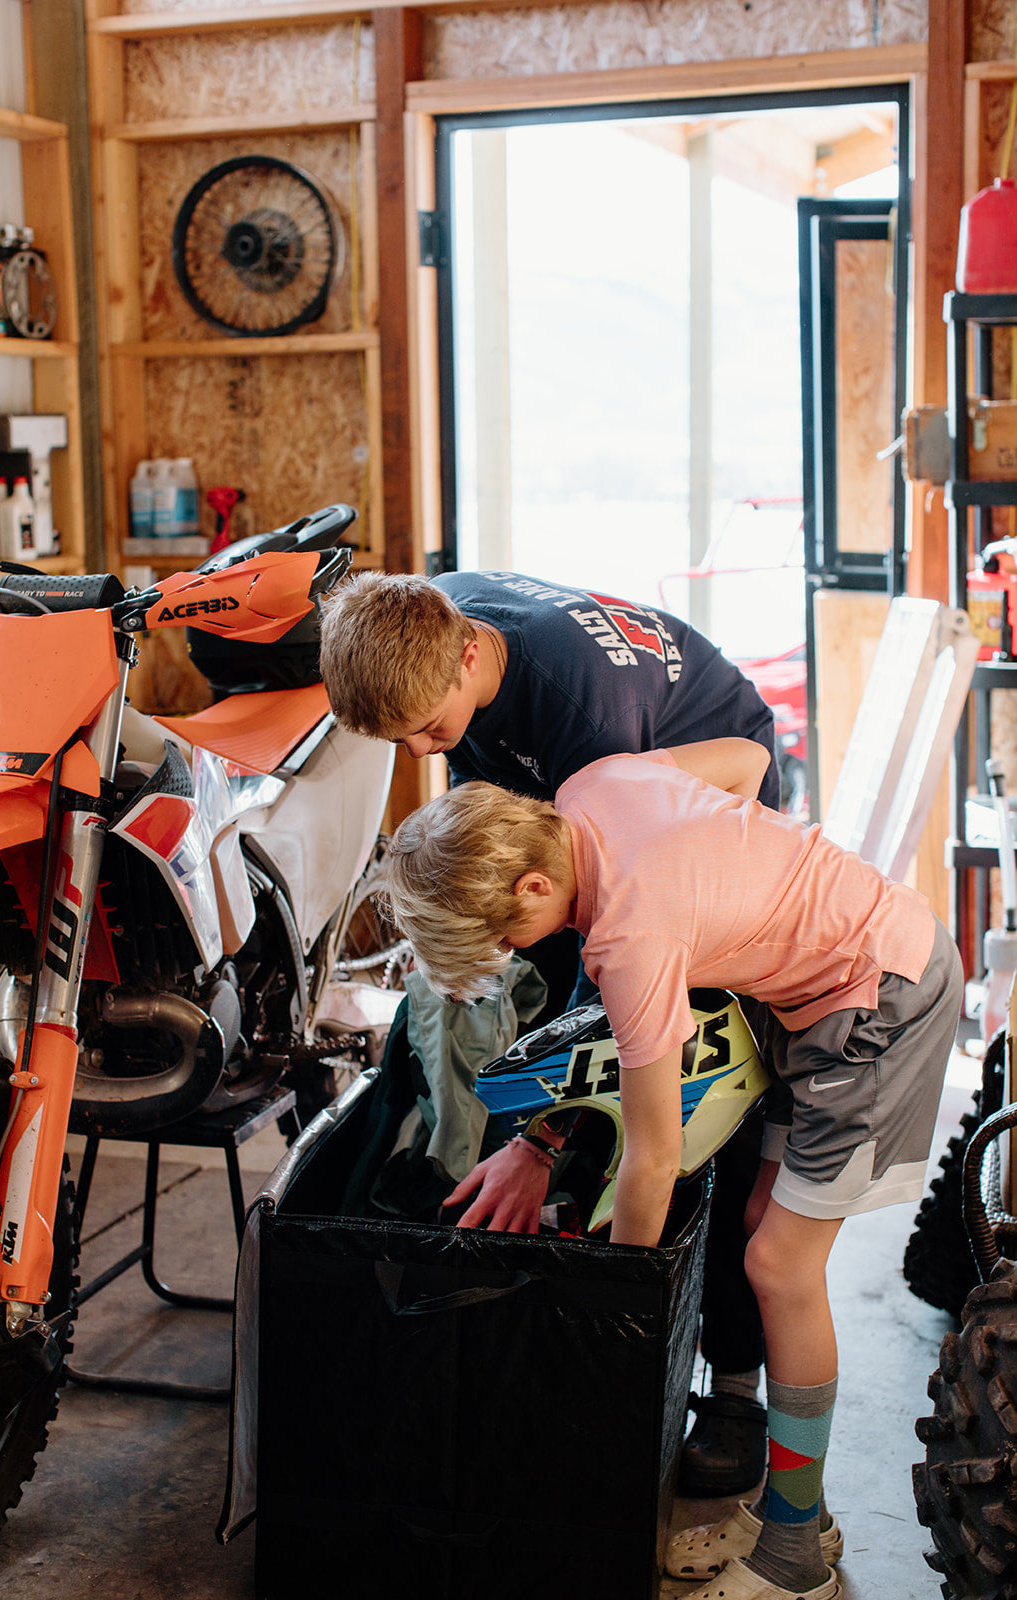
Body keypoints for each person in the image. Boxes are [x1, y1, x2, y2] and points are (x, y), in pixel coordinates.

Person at [380, 743, 963, 1600]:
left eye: (506, 936)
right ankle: (795, 1508)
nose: (512, 952)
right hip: (808, 998)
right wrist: (736, 886)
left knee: (778, 1267)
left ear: (534, 887)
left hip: (878, 998)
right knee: (757, 1228)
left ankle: (793, 1559)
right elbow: (744, 760)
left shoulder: (628, 939)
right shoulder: (590, 787)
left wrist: (614, 1311)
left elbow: (649, 1163)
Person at [320, 566, 778, 1495]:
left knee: (698, 1094)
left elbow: (601, 970)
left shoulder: (587, 727)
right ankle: (521, 1296)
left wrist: (544, 1136)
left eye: (430, 730)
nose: (419, 750)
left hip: (703, 789)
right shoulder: (425, 623)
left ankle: (732, 1387)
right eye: (399, 736)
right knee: (511, 1039)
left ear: (468, 652)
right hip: (578, 807)